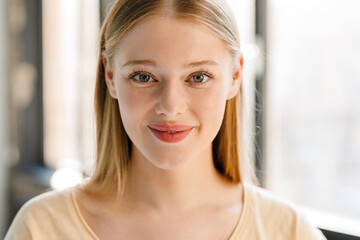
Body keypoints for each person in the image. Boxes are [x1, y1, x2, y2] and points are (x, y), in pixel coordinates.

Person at [5, 0, 327, 239]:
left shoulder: (290, 232)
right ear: (110, 75)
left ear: (235, 75)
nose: (170, 107)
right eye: (143, 76)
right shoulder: (40, 228)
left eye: (198, 77)